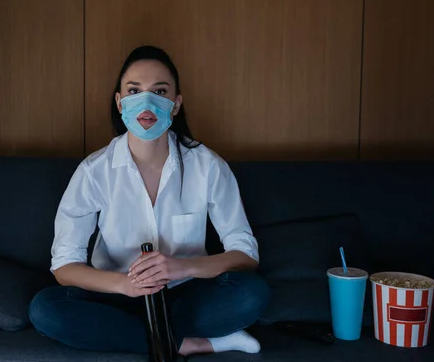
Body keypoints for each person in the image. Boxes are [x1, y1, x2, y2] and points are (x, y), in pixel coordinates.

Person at [29, 45, 270, 356]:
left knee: (252, 294)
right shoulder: (94, 171)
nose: (145, 101)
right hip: (116, 297)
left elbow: (245, 254)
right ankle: (191, 343)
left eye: (159, 90)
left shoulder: (208, 166)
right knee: (45, 309)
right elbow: (64, 266)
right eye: (134, 90)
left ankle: (147, 336)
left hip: (186, 294)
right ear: (119, 102)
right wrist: (124, 285)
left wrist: (181, 268)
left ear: (175, 104)